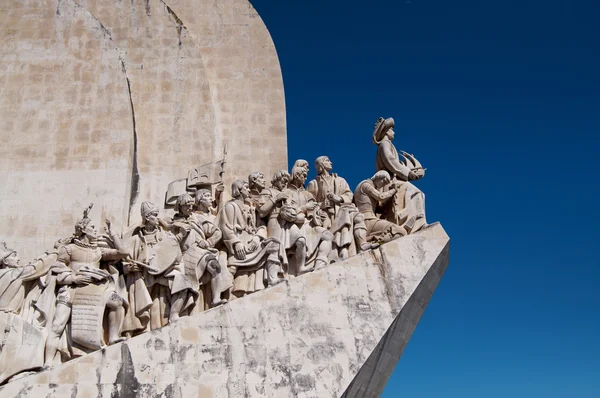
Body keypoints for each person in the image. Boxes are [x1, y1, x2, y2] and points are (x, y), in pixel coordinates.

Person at [44, 205, 128, 365]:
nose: (95, 230)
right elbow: (56, 269)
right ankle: (48, 362)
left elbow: (124, 252)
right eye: (92, 227)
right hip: (72, 289)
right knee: (57, 325)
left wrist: (113, 233)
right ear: (83, 230)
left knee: (117, 302)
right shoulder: (69, 249)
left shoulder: (98, 251)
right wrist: (74, 279)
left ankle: (113, 337)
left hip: (95, 288)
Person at [218, 180, 283, 296]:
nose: (249, 190)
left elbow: (261, 225)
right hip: (239, 243)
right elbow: (225, 227)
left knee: (274, 245)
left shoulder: (252, 207)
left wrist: (258, 237)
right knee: (232, 267)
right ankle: (225, 295)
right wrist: (236, 243)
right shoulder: (230, 206)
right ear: (238, 190)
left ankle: (272, 279)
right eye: (246, 187)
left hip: (253, 242)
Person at [307, 156, 377, 259]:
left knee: (358, 217)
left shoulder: (340, 180)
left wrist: (339, 198)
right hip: (326, 215)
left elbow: (349, 194)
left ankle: (362, 244)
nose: (330, 162)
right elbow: (309, 203)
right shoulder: (314, 183)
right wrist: (321, 205)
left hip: (341, 210)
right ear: (321, 165)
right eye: (327, 161)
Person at [373, 117, 427, 233]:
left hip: (395, 179)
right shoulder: (384, 144)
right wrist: (408, 173)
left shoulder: (388, 145)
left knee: (419, 194)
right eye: (392, 129)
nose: (394, 132)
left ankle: (418, 223)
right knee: (416, 193)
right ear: (386, 131)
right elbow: (390, 161)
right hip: (389, 182)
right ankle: (411, 224)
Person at [283, 162, 333, 273]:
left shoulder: (307, 194)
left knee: (328, 235)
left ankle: (320, 264)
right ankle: (300, 268)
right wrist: (305, 207)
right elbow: (287, 212)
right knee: (300, 241)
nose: (306, 178)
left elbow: (314, 211)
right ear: (296, 175)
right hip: (293, 225)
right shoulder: (286, 193)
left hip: (307, 224)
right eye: (304, 176)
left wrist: (320, 208)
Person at [354, 171, 406, 243]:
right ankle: (375, 241)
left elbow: (379, 207)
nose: (384, 185)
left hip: (370, 220)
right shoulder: (365, 185)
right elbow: (381, 197)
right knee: (400, 231)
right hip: (367, 220)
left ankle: (373, 240)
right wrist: (393, 190)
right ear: (378, 177)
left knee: (401, 232)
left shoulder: (369, 186)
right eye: (384, 181)